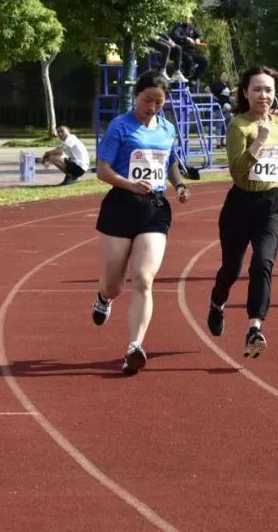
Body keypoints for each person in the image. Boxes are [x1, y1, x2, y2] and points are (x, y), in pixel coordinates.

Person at [207, 66, 278, 358]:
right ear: (245, 92)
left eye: (268, 90)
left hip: (272, 205)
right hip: (241, 205)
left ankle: (255, 327)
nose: (263, 95)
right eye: (257, 89)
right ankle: (217, 302)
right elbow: (237, 171)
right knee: (232, 269)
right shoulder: (238, 126)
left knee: (263, 263)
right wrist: (258, 141)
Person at [91, 70, 191, 374]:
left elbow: (170, 160)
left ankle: (134, 347)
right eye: (148, 100)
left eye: (159, 103)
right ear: (137, 95)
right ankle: (103, 296)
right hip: (121, 205)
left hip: (154, 208)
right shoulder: (120, 127)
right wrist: (130, 185)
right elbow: (102, 170)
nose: (152, 107)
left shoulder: (167, 129)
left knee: (144, 279)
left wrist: (180, 184)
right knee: (115, 284)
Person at [169, 19, 208, 86]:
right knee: (189, 59)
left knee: (204, 61)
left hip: (190, 51)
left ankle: (193, 79)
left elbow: (200, 35)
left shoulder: (191, 27)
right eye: (185, 17)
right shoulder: (178, 27)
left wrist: (198, 39)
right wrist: (186, 38)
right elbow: (176, 36)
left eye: (188, 18)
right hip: (180, 50)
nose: (187, 19)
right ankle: (185, 76)